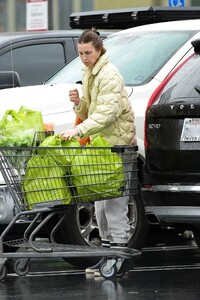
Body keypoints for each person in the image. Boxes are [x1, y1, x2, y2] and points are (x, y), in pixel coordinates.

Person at [59, 28, 137, 275]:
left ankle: (120, 257)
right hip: (102, 147)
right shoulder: (91, 72)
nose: (83, 57)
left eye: (88, 52)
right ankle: (107, 257)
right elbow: (92, 112)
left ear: (99, 50)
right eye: (80, 53)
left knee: (115, 203)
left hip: (117, 146)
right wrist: (78, 104)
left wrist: (79, 130)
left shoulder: (109, 75)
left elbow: (107, 114)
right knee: (102, 205)